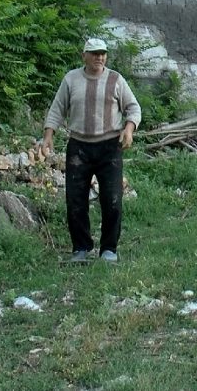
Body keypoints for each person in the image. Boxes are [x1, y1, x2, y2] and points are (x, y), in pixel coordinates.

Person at [39, 38, 141, 263]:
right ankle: (81, 248)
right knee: (75, 200)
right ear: (84, 55)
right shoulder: (71, 79)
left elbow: (133, 107)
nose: (99, 58)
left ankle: (109, 250)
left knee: (112, 198)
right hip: (79, 147)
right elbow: (57, 108)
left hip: (109, 147)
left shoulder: (115, 79)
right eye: (94, 53)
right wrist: (48, 136)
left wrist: (129, 129)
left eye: (103, 53)